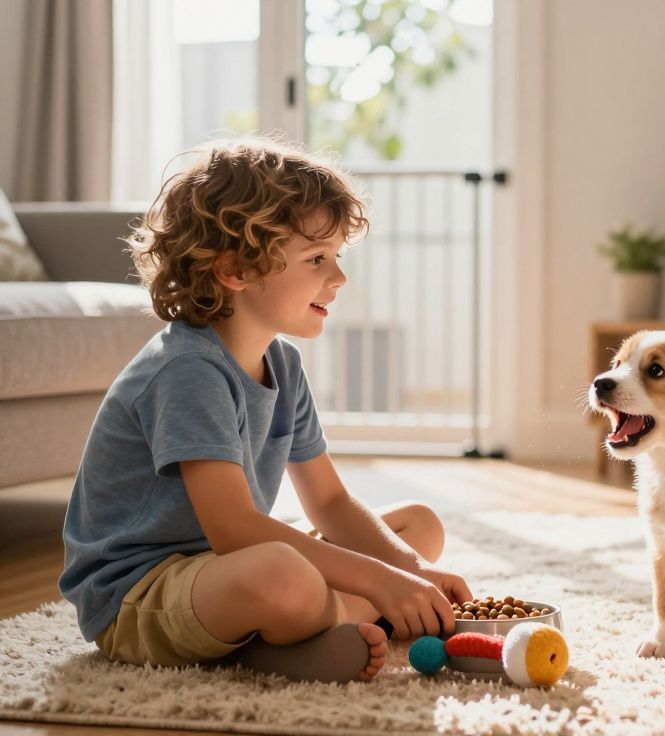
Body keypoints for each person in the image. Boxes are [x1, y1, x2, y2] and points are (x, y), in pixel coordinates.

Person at [59, 139, 471, 683]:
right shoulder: (186, 370)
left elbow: (329, 501)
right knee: (284, 572)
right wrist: (379, 582)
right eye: (317, 259)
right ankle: (300, 635)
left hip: (224, 571)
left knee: (418, 527)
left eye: (337, 257)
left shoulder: (283, 363)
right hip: (140, 594)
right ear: (236, 270)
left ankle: (300, 635)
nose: (339, 278)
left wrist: (410, 571)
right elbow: (234, 529)